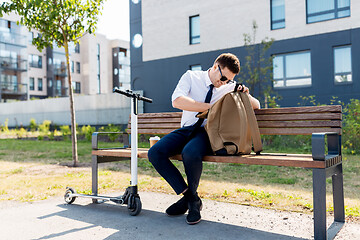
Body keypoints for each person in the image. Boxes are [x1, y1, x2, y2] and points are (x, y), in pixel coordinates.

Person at [148, 53, 260, 225]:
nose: (224, 83)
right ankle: (191, 197)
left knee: (190, 152)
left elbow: (256, 105)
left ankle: (191, 204)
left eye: (228, 80)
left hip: (208, 133)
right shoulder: (191, 77)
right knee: (155, 153)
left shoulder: (229, 86)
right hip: (186, 129)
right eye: (223, 78)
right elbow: (177, 101)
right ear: (216, 66)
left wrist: (245, 93)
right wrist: (212, 108)